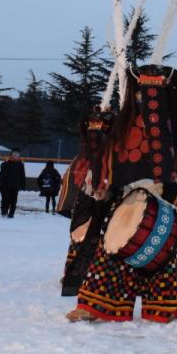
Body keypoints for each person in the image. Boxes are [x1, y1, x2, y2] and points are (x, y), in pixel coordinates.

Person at [68, 65, 177, 323]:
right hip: (125, 199)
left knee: (168, 261)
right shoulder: (123, 125)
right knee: (109, 257)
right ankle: (97, 306)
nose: (146, 99)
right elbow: (106, 163)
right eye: (140, 93)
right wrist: (97, 135)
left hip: (165, 201)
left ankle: (165, 308)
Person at [58, 108, 114, 296]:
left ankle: (96, 273)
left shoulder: (109, 151)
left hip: (103, 190)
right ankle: (75, 272)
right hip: (87, 194)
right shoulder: (82, 157)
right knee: (80, 233)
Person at [0, 149, 26, 218]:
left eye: (17, 154)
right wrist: (0, 182)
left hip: (15, 185)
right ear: (11, 154)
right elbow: (1, 172)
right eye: (14, 153)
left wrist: (23, 184)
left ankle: (11, 214)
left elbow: (22, 174)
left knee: (14, 201)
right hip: (6, 184)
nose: (16, 155)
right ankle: (4, 211)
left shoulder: (20, 163)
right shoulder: (7, 162)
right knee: (6, 198)